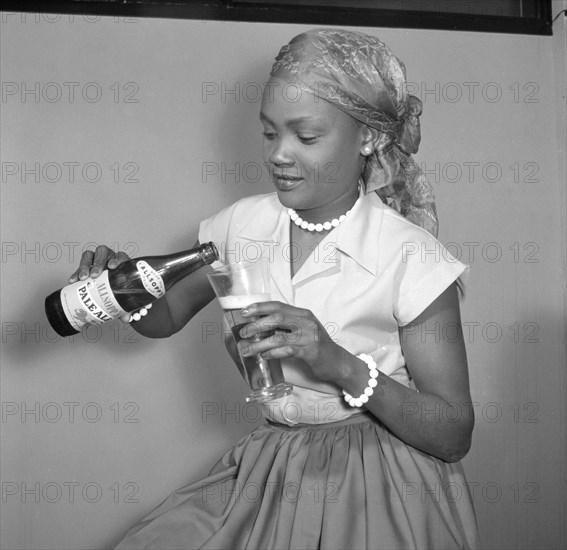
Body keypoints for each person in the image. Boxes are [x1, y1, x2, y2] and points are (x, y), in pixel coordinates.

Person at [70, 28, 480, 550]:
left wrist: (341, 364)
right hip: (274, 466)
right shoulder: (239, 227)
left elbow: (452, 433)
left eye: (305, 137)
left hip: (382, 483)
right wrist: (118, 295)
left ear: (370, 138)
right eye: (269, 134)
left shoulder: (412, 256)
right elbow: (164, 316)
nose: (279, 155)